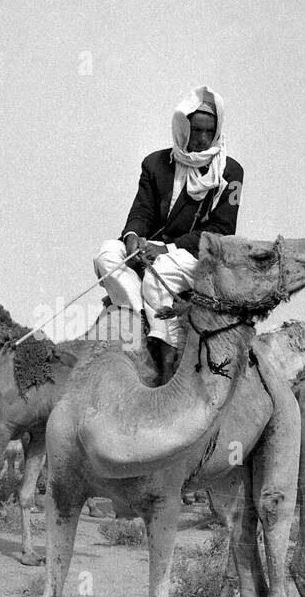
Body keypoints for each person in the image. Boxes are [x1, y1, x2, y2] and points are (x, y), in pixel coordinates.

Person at [94, 85, 243, 379]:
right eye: (195, 131)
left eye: (208, 132)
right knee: (107, 255)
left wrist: (168, 249)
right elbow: (142, 211)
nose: (201, 139)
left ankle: (165, 342)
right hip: (152, 249)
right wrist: (133, 238)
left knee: (158, 272)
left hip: (195, 256)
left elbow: (222, 231)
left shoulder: (230, 173)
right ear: (182, 128)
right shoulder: (155, 164)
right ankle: (137, 317)